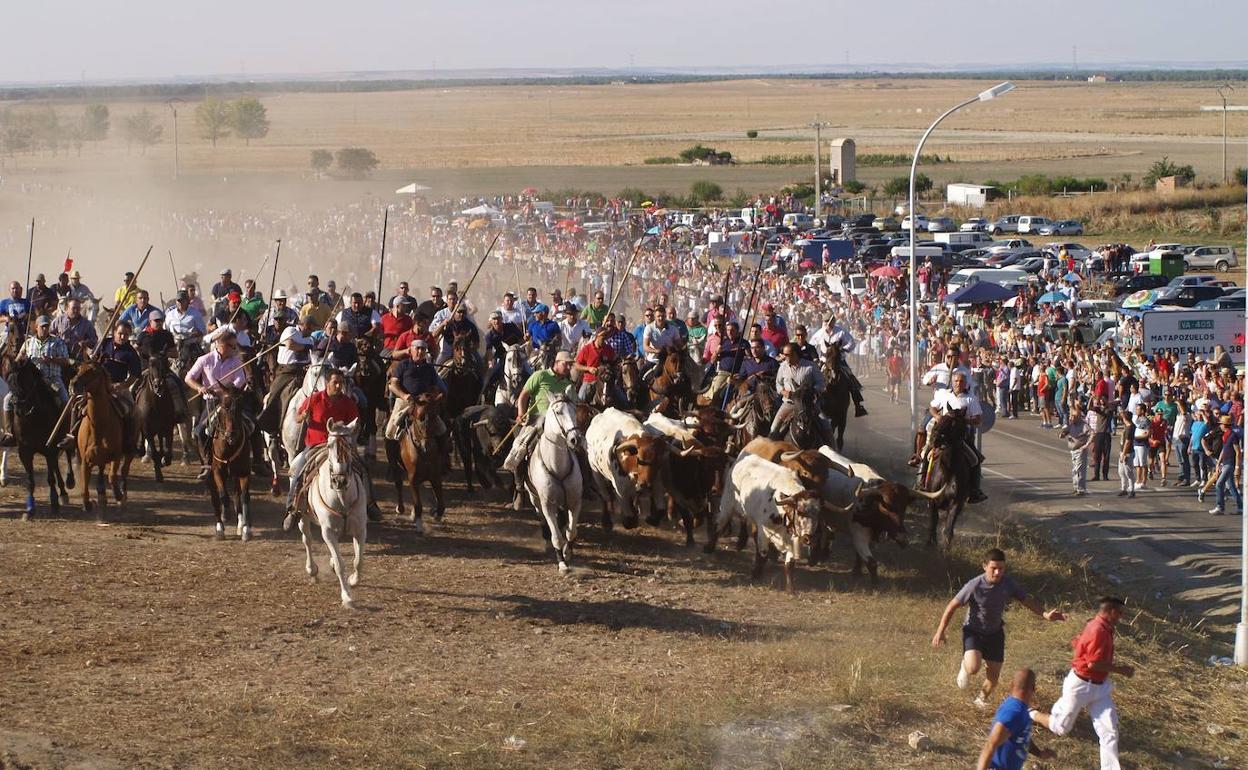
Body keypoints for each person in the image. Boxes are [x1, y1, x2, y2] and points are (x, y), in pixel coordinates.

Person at [932, 548, 1066, 708]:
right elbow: (952, 606)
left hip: (995, 633)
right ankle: (965, 665)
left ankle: (980, 699)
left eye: (1001, 568)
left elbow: (1026, 600)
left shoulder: (1008, 583)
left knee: (993, 677)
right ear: (984, 566)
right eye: (993, 568)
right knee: (973, 668)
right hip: (974, 631)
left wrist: (1044, 614)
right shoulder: (974, 585)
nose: (997, 572)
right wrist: (940, 631)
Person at [1031, 597, 1134, 770]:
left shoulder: (1099, 626)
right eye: (1120, 614)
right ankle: (1032, 714)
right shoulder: (1098, 630)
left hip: (1099, 686)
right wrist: (1121, 670)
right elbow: (1093, 663)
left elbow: (1077, 642)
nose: (1121, 618)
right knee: (1061, 727)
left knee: (1109, 730)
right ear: (1113, 612)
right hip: (1081, 685)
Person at [283, 369, 381, 527]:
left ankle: (370, 504)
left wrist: (350, 432)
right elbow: (297, 417)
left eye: (341, 383)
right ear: (327, 383)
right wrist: (303, 416)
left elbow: (356, 425)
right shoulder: (314, 399)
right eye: (335, 382)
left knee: (363, 469)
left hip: (341, 445)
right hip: (317, 445)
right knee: (298, 472)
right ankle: (292, 508)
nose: (338, 385)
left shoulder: (349, 403)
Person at [501, 351, 575, 509]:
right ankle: (520, 490)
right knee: (520, 449)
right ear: (556, 362)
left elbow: (573, 405)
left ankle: (583, 485)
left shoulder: (568, 384)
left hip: (560, 425)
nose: (569, 367)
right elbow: (523, 396)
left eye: (570, 364)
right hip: (536, 420)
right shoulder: (540, 376)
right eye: (566, 364)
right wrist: (521, 413)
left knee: (580, 449)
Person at [184, 330, 249, 480]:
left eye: (235, 346)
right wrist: (200, 387)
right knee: (199, 431)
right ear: (221, 346)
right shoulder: (204, 359)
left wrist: (225, 391)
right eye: (232, 346)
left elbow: (240, 381)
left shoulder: (236, 361)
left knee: (251, 425)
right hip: (212, 402)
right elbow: (189, 378)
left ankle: (255, 460)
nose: (235, 349)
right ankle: (207, 462)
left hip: (231, 401)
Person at [975, 668, 1056, 770]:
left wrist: (1039, 753)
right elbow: (990, 746)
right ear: (1034, 688)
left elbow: (1021, 737)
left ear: (1012, 685)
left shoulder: (1022, 709)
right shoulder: (1013, 712)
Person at [383, 338, 448, 442]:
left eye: (423, 349)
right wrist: (404, 395)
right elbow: (393, 384)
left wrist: (432, 397)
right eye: (418, 349)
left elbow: (434, 387)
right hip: (405, 401)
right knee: (390, 431)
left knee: (442, 429)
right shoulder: (403, 365)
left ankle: (443, 453)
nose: (420, 352)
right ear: (411, 350)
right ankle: (393, 455)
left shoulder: (429, 368)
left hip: (424, 403)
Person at [809, 314, 868, 416]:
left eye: (830, 321)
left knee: (850, 378)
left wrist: (843, 349)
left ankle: (858, 405)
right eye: (827, 321)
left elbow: (851, 343)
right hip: (824, 361)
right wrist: (815, 357)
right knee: (811, 379)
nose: (829, 323)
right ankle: (809, 403)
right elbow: (811, 345)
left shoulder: (841, 331)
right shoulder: (820, 333)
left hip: (839, 360)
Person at [770, 342, 826, 442]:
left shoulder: (810, 367)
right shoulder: (783, 367)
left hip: (809, 404)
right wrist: (783, 392)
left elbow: (821, 383)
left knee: (826, 425)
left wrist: (811, 391)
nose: (784, 357)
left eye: (787, 355)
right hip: (789, 403)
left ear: (795, 354)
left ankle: (832, 449)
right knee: (774, 429)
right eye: (784, 354)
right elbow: (778, 384)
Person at [574, 327, 623, 404]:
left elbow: (615, 361)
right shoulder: (587, 349)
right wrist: (588, 368)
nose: (605, 339)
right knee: (580, 399)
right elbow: (576, 365)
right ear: (597, 336)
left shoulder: (609, 349)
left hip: (606, 381)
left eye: (606, 337)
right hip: (590, 380)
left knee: (622, 397)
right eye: (603, 337)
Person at [1208, 413, 1242, 515]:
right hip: (1226, 462)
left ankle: (1220, 507)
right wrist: (1219, 462)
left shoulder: (1232, 436)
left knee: (1219, 484)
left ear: (1224, 425)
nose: (1220, 426)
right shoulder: (1225, 435)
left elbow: (1237, 451)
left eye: (1221, 424)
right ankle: (1240, 507)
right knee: (1231, 485)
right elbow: (1224, 449)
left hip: (1230, 463)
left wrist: (1237, 467)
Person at [1060, 401, 1091, 496]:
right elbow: (1066, 431)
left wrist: (1086, 445)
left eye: (1073, 417)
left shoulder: (1084, 425)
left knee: (1080, 470)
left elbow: (1092, 434)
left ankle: (1081, 489)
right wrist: (1062, 434)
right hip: (1073, 450)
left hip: (1080, 450)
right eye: (1071, 417)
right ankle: (1076, 487)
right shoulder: (1072, 424)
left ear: (1078, 417)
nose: (1071, 418)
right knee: (1074, 470)